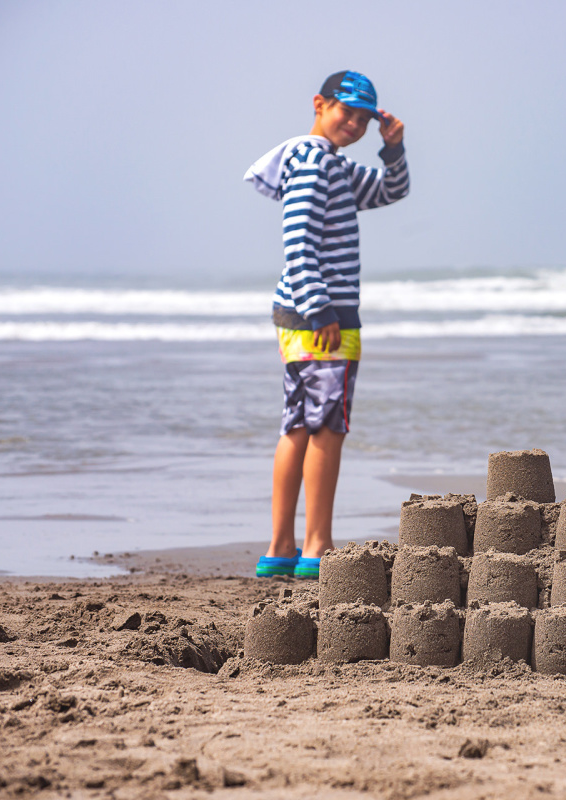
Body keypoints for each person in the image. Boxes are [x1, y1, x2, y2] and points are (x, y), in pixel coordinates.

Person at [243, 70, 409, 578]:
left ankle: (280, 549)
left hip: (306, 313)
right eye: (346, 112)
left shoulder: (331, 164)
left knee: (299, 425)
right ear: (320, 104)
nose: (355, 124)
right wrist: (321, 310)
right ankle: (316, 546)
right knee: (327, 428)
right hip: (322, 316)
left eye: (364, 118)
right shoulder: (315, 163)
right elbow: (299, 244)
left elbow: (389, 192)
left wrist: (393, 149)